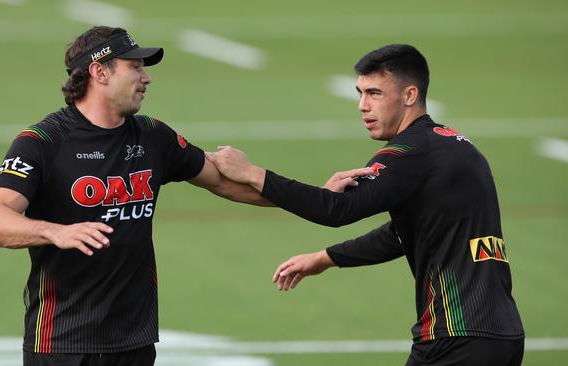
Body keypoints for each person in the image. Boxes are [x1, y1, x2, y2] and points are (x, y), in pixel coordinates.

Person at [0, 26, 284, 366]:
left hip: (134, 342)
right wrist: (55, 231)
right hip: (61, 343)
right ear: (99, 71)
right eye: (134, 67)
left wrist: (315, 199)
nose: (146, 78)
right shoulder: (42, 142)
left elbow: (226, 183)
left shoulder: (153, 136)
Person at [206, 44, 525, 365]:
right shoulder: (456, 146)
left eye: (374, 93)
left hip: (456, 337)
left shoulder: (407, 152)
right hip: (502, 335)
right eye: (359, 93)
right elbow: (402, 234)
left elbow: (337, 209)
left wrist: (252, 173)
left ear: (409, 95)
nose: (362, 105)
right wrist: (325, 258)